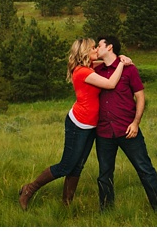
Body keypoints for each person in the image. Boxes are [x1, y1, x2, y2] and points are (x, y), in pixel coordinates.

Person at [18, 37, 131, 210]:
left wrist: (118, 57)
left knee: (78, 166)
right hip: (78, 124)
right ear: (85, 52)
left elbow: (105, 60)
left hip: (91, 125)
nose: (96, 50)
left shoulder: (88, 66)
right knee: (66, 165)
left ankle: (66, 204)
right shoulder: (83, 72)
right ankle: (29, 189)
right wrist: (122, 64)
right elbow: (110, 83)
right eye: (93, 48)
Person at [93, 35, 157, 213]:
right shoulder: (97, 70)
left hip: (127, 129)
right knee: (104, 174)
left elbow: (140, 97)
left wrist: (135, 123)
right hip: (103, 131)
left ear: (110, 47)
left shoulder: (129, 69)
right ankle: (106, 212)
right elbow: (79, 65)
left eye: (99, 45)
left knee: (145, 169)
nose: (96, 48)